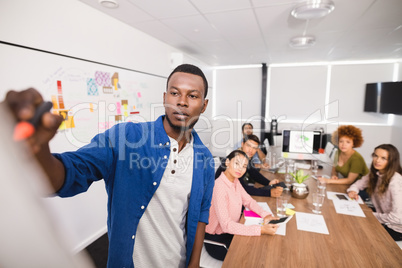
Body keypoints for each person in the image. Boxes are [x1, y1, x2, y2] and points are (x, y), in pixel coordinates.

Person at [3, 64, 215, 268]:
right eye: (175, 93)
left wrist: (194, 262)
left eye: (193, 96)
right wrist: (39, 150)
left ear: (203, 105)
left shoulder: (204, 158)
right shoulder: (126, 137)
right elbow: (73, 171)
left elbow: (200, 213)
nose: (182, 102)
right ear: (164, 98)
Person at [204, 150, 279, 261]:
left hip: (231, 232)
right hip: (218, 240)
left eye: (244, 166)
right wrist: (260, 230)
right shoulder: (219, 187)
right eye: (237, 164)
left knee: (262, 247)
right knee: (253, 256)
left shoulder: (235, 181)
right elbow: (226, 225)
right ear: (227, 162)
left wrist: (265, 215)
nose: (240, 169)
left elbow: (248, 201)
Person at [347, 144, 402, 241]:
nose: (377, 160)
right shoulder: (377, 173)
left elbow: (397, 218)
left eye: (383, 158)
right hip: (383, 217)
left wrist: (370, 215)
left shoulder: (395, 181)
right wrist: (353, 191)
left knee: (356, 234)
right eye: (376, 156)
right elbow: (358, 184)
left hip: (395, 228)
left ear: (391, 161)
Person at [216, 134, 283, 197]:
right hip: (222, 195)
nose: (251, 150)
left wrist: (268, 183)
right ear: (242, 144)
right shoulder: (237, 160)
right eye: (248, 146)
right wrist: (269, 193)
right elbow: (243, 189)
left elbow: (254, 173)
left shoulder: (245, 157)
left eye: (254, 148)